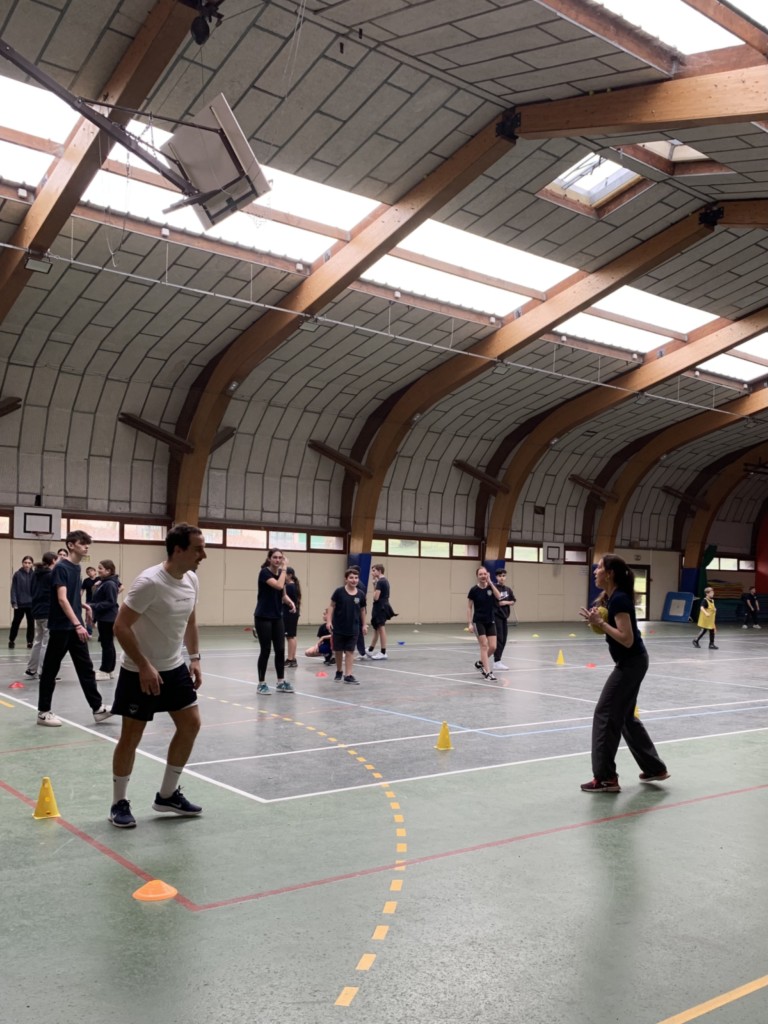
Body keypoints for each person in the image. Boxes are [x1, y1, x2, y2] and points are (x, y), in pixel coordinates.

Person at [108, 523, 207, 828]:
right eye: (198, 549)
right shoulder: (149, 582)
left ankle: (167, 795)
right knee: (131, 737)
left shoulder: (191, 579)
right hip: (138, 671)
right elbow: (120, 626)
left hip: (174, 666)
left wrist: (194, 658)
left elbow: (190, 621)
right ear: (178, 550)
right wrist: (143, 665)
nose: (203, 555)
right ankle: (118, 803)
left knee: (191, 724)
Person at [579, 554, 668, 793]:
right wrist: (597, 620)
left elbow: (626, 639)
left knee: (605, 714)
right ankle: (654, 768)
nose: (595, 571)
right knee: (626, 717)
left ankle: (605, 778)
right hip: (633, 662)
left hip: (631, 663)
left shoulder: (619, 599)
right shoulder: (611, 598)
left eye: (599, 568)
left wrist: (601, 623)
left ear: (610, 574)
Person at [35, 530, 112, 727]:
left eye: (87, 543)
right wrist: (78, 623)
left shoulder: (76, 567)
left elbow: (71, 596)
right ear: (71, 545)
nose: (86, 547)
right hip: (62, 627)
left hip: (74, 626)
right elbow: (61, 599)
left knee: (86, 669)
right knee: (50, 670)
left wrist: (83, 606)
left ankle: (97, 708)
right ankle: (43, 712)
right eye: (82, 543)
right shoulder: (61, 567)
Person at [253, 548, 296, 694]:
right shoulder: (264, 573)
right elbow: (278, 585)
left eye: (280, 558)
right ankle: (261, 684)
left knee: (280, 650)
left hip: (277, 617)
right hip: (263, 617)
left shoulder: (280, 575)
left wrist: (290, 602)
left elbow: (282, 594)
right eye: (275, 557)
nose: (278, 560)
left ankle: (281, 682)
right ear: (269, 559)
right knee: (265, 650)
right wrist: (284, 569)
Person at [330, 568, 367, 684]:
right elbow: (331, 606)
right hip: (339, 627)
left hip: (354, 628)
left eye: (356, 578)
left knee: (350, 651)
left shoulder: (361, 594)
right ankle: (339, 670)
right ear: (346, 579)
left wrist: (364, 625)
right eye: (351, 578)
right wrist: (328, 622)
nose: (354, 580)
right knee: (338, 651)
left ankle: (348, 675)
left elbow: (362, 610)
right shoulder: (339, 592)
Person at [25, 551, 58, 678]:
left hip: (37, 611)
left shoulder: (35, 574)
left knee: (38, 641)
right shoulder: (50, 575)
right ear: (53, 561)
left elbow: (31, 590)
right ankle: (44, 671)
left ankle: (31, 669)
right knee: (46, 643)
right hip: (47, 611)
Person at [87, 560, 121, 679]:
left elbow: (110, 602)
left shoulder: (109, 584)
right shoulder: (103, 583)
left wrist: (93, 606)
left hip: (108, 618)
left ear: (108, 570)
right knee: (107, 644)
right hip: (104, 617)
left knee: (107, 644)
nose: (98, 570)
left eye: (101, 568)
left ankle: (106, 670)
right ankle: (109, 669)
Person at [468, 566, 500, 681]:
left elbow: (499, 596)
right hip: (478, 621)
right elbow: (469, 607)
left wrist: (490, 583)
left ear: (488, 575)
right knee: (484, 645)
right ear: (477, 576)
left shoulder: (491, 587)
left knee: (493, 647)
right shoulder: (473, 590)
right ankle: (488, 673)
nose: (483, 576)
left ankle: (480, 663)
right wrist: (469, 623)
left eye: (485, 574)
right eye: (480, 574)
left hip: (490, 621)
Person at [367, 564, 395, 660]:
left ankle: (383, 652)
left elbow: (376, 597)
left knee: (381, 628)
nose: (372, 573)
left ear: (379, 571)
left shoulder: (380, 582)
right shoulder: (385, 581)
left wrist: (374, 586)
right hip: (383, 605)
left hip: (380, 607)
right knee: (377, 628)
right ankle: (370, 649)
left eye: (374, 570)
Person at [9, 555, 35, 649]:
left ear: (32, 564)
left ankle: (30, 641)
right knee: (16, 622)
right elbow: (14, 589)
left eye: (29, 563)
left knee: (31, 623)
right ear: (22, 563)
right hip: (20, 604)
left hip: (31, 604)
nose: (27, 565)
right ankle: (11, 640)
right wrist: (14, 602)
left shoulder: (35, 575)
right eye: (25, 562)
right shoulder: (17, 574)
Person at [492, 569, 516, 671]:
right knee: (499, 639)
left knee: (504, 639)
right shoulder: (494, 588)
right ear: (496, 577)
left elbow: (513, 601)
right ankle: (497, 661)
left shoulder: (508, 589)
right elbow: (494, 601)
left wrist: (506, 602)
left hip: (504, 617)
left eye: (503, 576)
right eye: (500, 576)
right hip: (496, 617)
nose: (502, 578)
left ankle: (498, 661)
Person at [283, 568, 301, 668]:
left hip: (289, 613)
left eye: (284, 574)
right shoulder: (294, 585)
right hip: (293, 613)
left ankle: (290, 659)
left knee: (290, 636)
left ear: (290, 575)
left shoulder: (289, 586)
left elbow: (285, 599)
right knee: (292, 636)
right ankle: (293, 659)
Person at [81, 565, 98, 636]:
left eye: (91, 571)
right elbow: (82, 589)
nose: (90, 572)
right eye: (88, 572)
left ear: (95, 572)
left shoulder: (100, 579)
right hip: (89, 601)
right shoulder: (86, 580)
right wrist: (79, 597)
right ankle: (89, 633)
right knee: (89, 616)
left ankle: (94, 623)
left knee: (98, 615)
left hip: (99, 601)